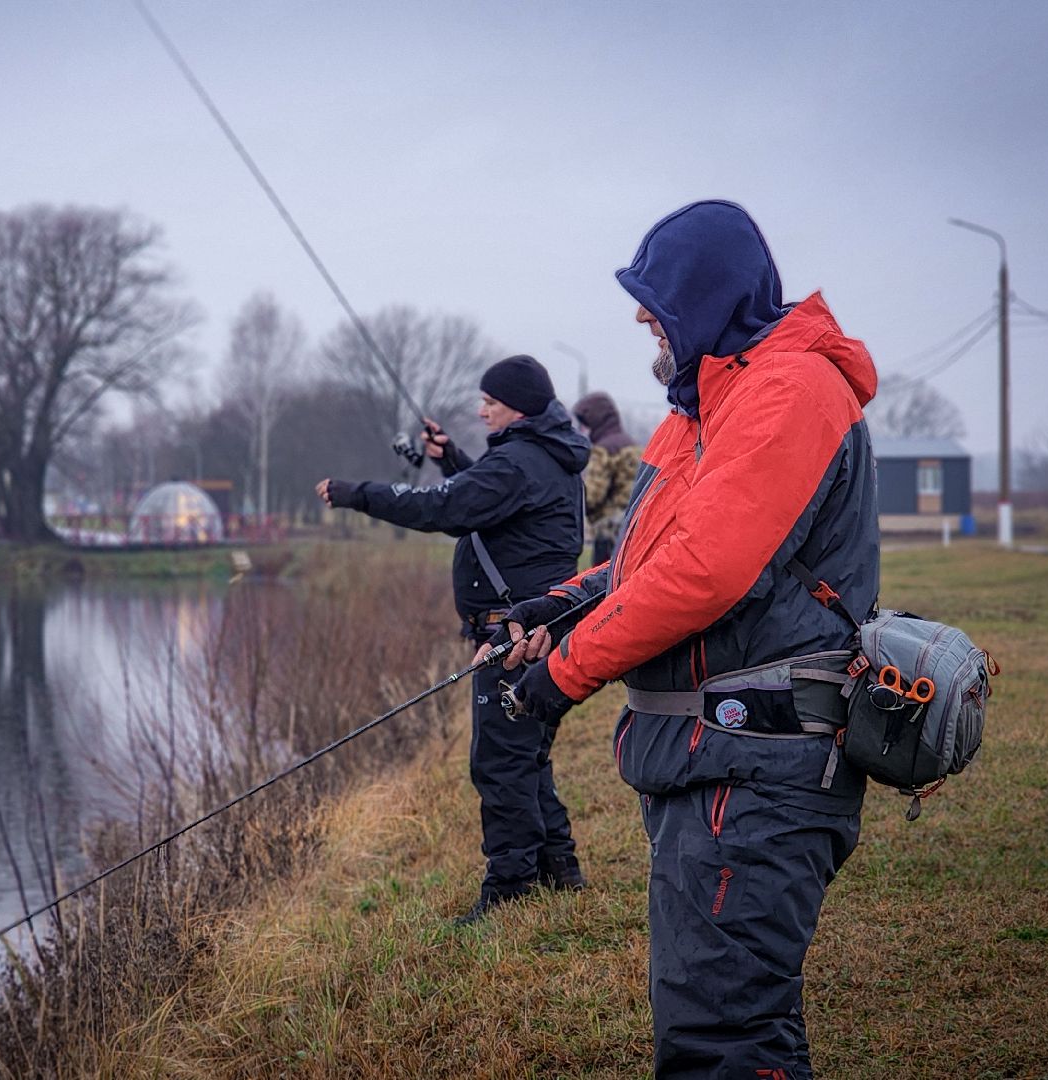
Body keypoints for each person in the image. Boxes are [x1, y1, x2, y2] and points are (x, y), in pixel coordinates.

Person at [487, 200, 880, 1077]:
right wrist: (555, 607)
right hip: (710, 766)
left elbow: (704, 572)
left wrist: (559, 677)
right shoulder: (704, 402)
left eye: (652, 295)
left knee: (722, 1039)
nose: (638, 315)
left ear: (705, 296)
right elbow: (644, 560)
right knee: (722, 1020)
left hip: (758, 772)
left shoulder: (789, 389)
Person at [315, 354, 590, 923]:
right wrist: (453, 459)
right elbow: (487, 499)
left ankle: (510, 888)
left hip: (514, 636)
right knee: (528, 754)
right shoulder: (546, 456)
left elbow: (446, 507)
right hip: (538, 630)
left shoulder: (518, 462)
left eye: (489, 401)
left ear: (516, 405)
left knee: (501, 762)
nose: (479, 408)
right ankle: (559, 871)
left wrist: (356, 493)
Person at [572, 391, 639, 567]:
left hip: (608, 534)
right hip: (633, 528)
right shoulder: (630, 443)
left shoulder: (603, 449)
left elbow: (592, 497)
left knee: (602, 588)